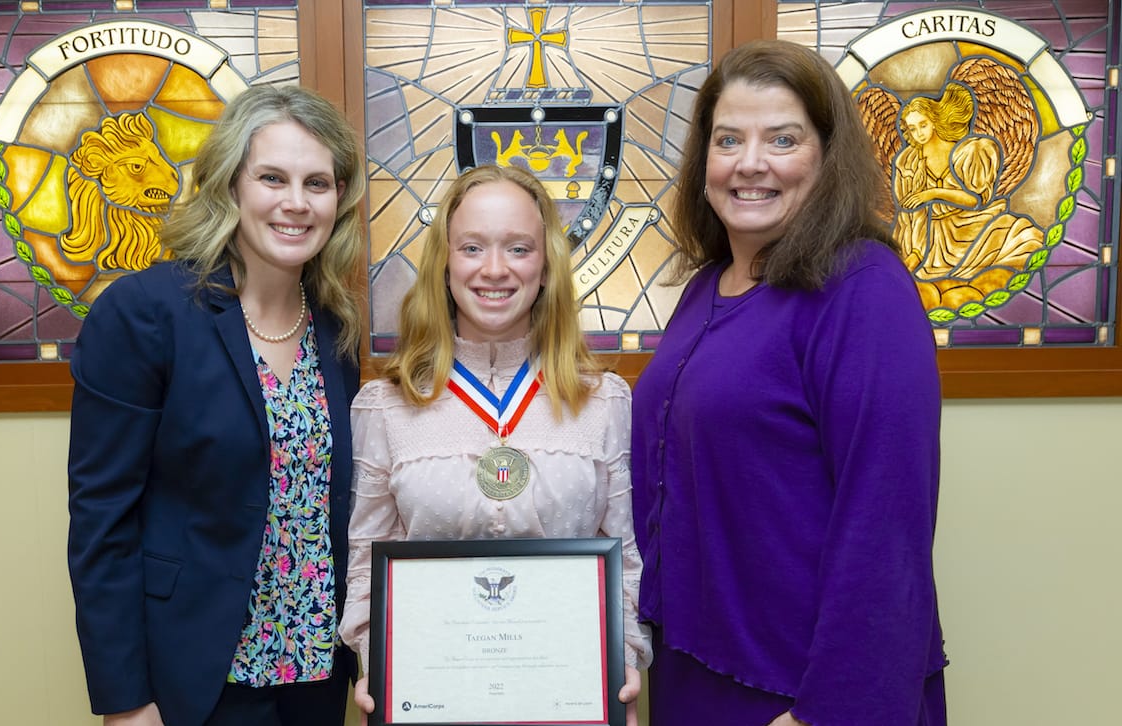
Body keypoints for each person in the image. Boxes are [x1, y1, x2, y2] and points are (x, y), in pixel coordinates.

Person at [632, 40, 947, 725]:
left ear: (827, 156)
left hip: (807, 692)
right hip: (699, 669)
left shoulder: (863, 290)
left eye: (782, 139)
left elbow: (885, 522)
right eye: (728, 140)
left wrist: (828, 711)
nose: (750, 163)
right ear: (703, 161)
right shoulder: (705, 288)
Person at [67, 84, 365, 726]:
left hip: (316, 674)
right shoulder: (145, 314)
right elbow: (101, 520)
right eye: (272, 178)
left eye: (318, 183)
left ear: (339, 199)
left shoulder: (336, 329)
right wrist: (124, 702)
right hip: (197, 679)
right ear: (230, 185)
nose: (296, 203)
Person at [338, 164, 651, 724]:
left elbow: (625, 559)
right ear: (446, 264)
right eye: (473, 247)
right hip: (432, 704)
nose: (495, 269)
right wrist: (377, 664)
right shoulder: (386, 406)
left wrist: (618, 667)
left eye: (519, 248)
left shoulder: (602, 400)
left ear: (547, 266)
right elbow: (367, 561)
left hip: (566, 706)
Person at [893, 82, 1043, 309]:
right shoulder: (909, 160)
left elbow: (975, 199)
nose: (918, 133)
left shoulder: (971, 150)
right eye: (912, 128)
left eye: (923, 125)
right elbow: (910, 215)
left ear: (934, 121)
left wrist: (933, 193)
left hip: (971, 228)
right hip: (930, 238)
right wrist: (913, 252)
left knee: (1021, 239)